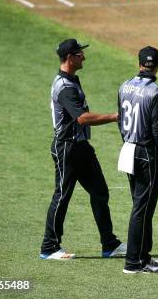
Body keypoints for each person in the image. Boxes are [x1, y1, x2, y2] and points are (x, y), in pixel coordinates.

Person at [40, 39, 125, 260]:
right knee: (62, 196)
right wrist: (115, 117)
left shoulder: (71, 80)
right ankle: (49, 247)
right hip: (67, 148)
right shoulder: (64, 87)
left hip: (81, 148)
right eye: (79, 54)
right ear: (70, 58)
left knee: (100, 192)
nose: (83, 57)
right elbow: (82, 118)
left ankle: (110, 244)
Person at [118, 46, 158, 274]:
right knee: (142, 209)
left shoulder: (124, 86)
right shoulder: (156, 92)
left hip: (128, 148)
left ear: (139, 63)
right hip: (146, 153)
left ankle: (143, 256)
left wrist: (127, 140)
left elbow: (120, 120)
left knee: (140, 206)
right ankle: (133, 262)